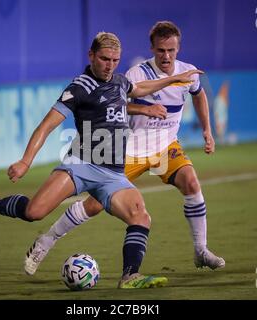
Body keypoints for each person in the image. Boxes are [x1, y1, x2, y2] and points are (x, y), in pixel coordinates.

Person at [0, 32, 202, 289]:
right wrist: (26, 161)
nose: (110, 65)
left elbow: (139, 89)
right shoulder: (79, 87)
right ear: (91, 55)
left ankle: (130, 276)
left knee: (141, 217)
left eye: (115, 60)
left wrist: (173, 80)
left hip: (114, 174)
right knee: (34, 212)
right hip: (81, 165)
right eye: (105, 59)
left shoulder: (119, 81)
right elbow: (46, 126)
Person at [25, 21, 225, 276]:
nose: (166, 56)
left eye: (171, 50)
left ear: (178, 48)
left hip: (165, 147)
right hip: (130, 149)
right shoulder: (136, 74)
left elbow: (199, 94)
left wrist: (207, 129)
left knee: (192, 183)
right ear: (152, 48)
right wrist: (144, 108)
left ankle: (201, 251)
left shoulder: (187, 73)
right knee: (94, 205)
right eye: (161, 50)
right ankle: (47, 240)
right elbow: (114, 104)